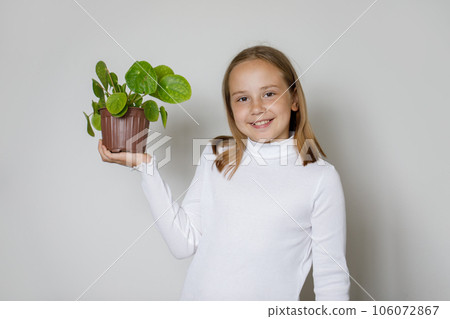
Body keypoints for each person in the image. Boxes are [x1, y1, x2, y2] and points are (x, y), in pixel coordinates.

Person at [98, 45, 351, 301]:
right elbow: (183, 243)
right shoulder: (216, 155)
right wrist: (145, 166)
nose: (256, 108)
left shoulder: (320, 178)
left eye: (269, 93)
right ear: (230, 108)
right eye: (242, 98)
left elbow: (331, 281)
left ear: (294, 99)